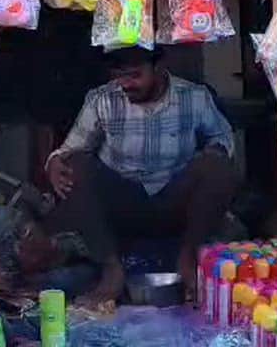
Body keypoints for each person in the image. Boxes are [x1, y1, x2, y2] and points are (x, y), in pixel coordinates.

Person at [44, 47, 236, 306]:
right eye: (120, 76)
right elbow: (70, 149)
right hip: (124, 203)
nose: (126, 84)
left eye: (135, 76)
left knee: (217, 165)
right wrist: (54, 162)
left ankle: (189, 257)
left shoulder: (194, 97)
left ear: (158, 68)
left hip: (175, 200)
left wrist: (213, 154)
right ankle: (111, 268)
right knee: (74, 165)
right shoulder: (102, 99)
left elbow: (223, 139)